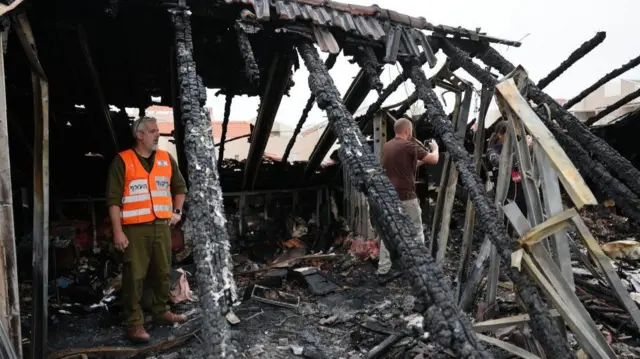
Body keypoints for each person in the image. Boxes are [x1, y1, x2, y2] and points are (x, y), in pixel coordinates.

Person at [106, 116, 188, 342]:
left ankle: (161, 312)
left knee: (163, 271)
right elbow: (113, 200)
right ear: (139, 135)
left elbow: (180, 188)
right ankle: (134, 323)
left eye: (157, 131)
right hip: (134, 230)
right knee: (135, 276)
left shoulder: (166, 158)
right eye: (152, 131)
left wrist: (177, 212)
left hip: (162, 227)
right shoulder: (122, 161)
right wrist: (118, 231)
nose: (157, 134)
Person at [377, 117, 439, 278]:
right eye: (410, 131)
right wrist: (435, 148)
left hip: (390, 198)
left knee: (388, 233)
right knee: (416, 231)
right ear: (407, 131)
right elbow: (434, 159)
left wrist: (419, 162)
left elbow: (406, 165)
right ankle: (420, 266)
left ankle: (383, 268)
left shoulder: (388, 146)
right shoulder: (408, 145)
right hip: (407, 197)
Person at [485, 119, 532, 219]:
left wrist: (530, 147)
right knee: (507, 220)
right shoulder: (492, 151)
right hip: (504, 192)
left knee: (522, 216)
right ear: (500, 135)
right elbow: (502, 164)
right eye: (509, 134)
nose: (513, 137)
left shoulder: (515, 146)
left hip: (520, 189)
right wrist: (524, 148)